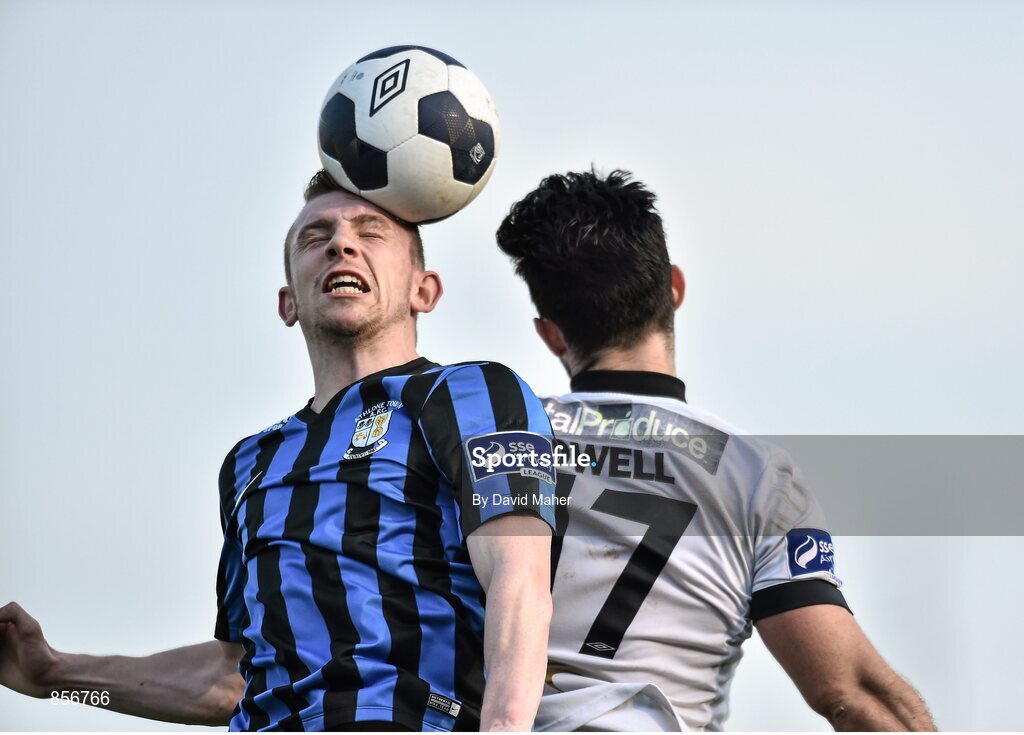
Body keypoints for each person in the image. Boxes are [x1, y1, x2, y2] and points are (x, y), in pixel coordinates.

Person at [0, 170, 556, 731]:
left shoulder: (472, 394)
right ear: (288, 302)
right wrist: (54, 681)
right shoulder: (251, 461)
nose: (341, 244)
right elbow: (232, 677)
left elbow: (520, 582)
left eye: (372, 232)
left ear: (424, 290)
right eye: (315, 238)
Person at [494, 169, 936, 731]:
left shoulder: (496, 442)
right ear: (674, 289)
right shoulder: (755, 474)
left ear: (550, 333)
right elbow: (847, 691)